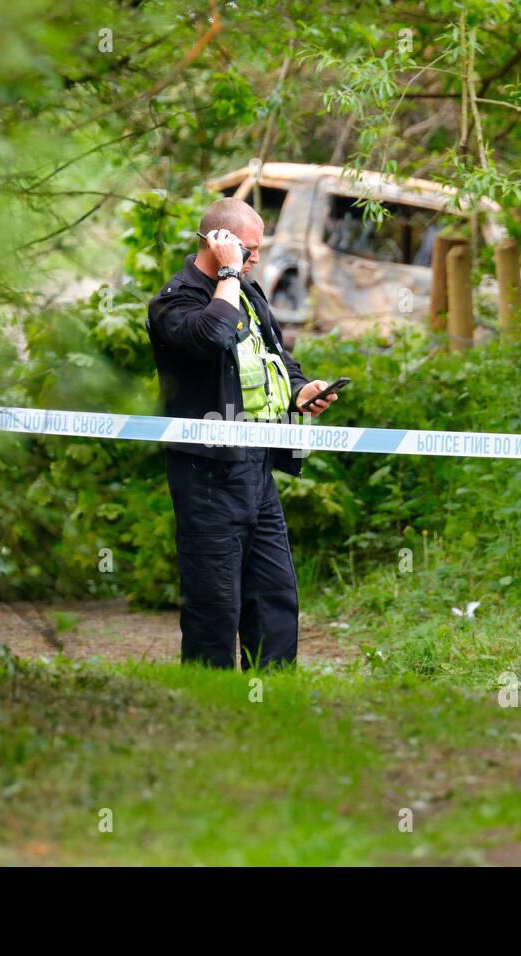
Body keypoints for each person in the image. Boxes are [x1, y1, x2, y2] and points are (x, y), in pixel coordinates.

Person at [146, 197, 338, 669]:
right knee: (214, 600)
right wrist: (229, 275)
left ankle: (273, 692)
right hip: (207, 468)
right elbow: (213, 335)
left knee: (273, 593)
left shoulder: (250, 294)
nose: (255, 261)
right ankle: (209, 698)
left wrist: (300, 390)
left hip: (256, 463)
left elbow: (277, 358)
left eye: (255, 252)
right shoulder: (174, 301)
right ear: (218, 243)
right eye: (247, 252)